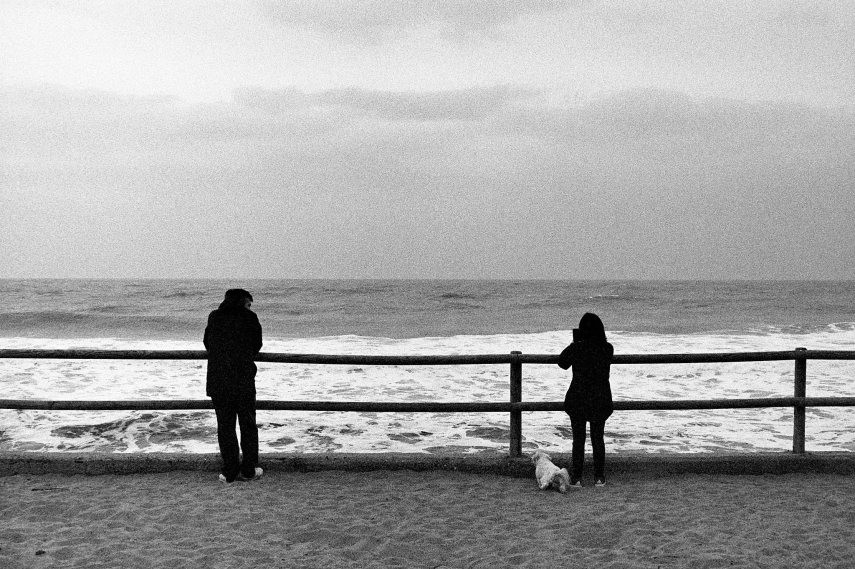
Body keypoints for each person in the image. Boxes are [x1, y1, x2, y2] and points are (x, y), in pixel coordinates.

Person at [204, 288, 264, 483]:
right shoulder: (249, 318)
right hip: (243, 379)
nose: (249, 307)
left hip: (219, 380)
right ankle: (248, 470)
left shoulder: (215, 317)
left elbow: (207, 342)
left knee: (225, 426)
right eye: (248, 304)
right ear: (241, 303)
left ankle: (230, 470)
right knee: (247, 424)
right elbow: (257, 345)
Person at [557, 312, 614, 488]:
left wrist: (575, 342)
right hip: (600, 398)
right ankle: (599, 477)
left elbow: (562, 362)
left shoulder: (577, 348)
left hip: (578, 398)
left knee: (578, 440)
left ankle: (577, 478)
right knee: (598, 438)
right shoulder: (607, 348)